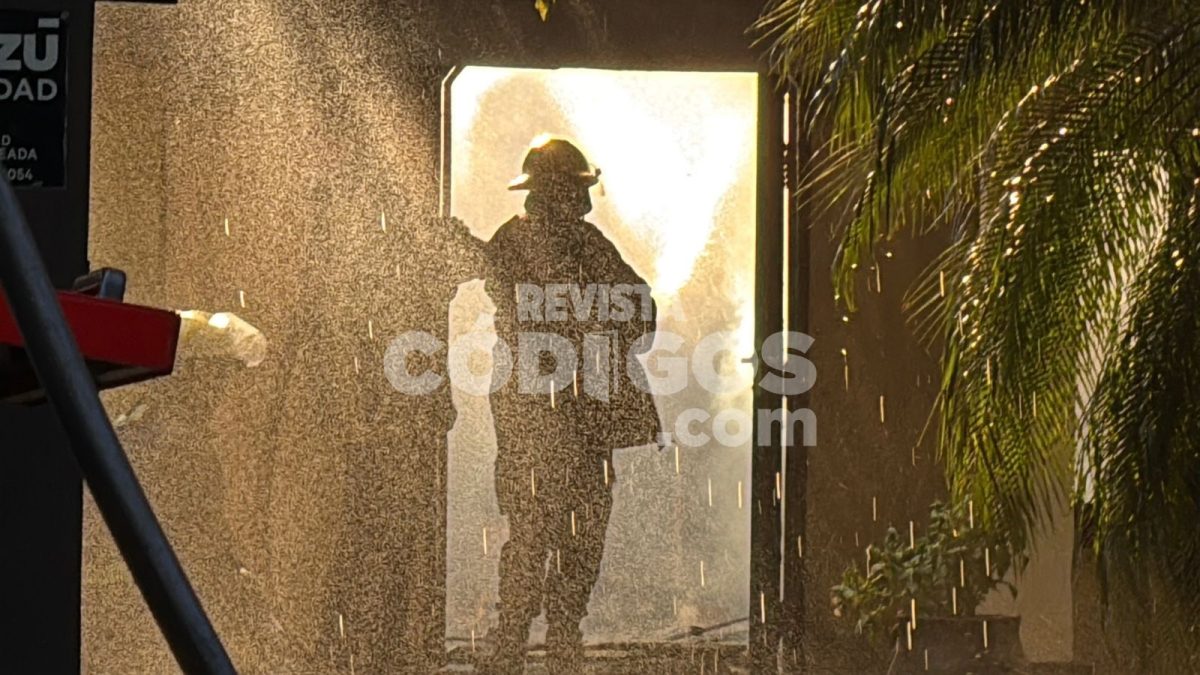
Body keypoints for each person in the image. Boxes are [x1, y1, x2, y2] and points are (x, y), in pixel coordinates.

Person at [477, 136, 660, 673]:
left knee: (575, 527)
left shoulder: (585, 244)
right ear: (555, 192)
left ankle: (552, 634)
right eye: (576, 191)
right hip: (537, 417)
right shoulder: (517, 246)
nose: (583, 202)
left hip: (576, 420)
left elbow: (641, 310)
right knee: (536, 527)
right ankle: (518, 637)